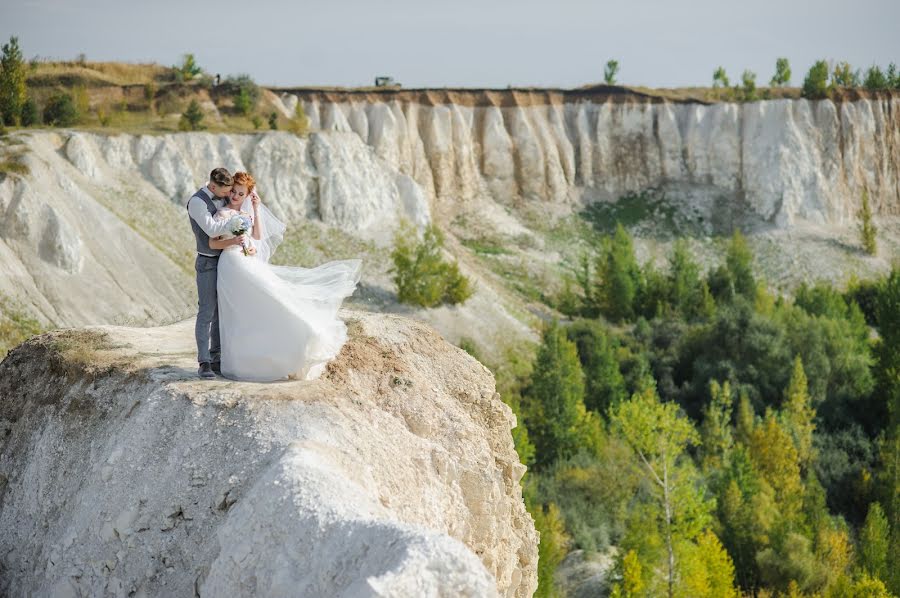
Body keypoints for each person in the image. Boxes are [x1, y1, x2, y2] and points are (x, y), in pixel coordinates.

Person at [209, 171, 362, 382]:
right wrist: (233, 243)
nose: (235, 196)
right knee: (237, 313)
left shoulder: (246, 214)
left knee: (268, 298)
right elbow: (213, 243)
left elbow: (257, 237)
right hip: (230, 264)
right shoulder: (222, 214)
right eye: (233, 191)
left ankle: (302, 336)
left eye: (240, 193)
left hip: (246, 261)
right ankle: (242, 362)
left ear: (246, 195)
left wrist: (254, 208)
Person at [186, 167, 251, 379]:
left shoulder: (223, 196)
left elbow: (238, 200)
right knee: (206, 311)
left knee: (221, 312)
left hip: (226, 261)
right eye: (225, 192)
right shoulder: (197, 202)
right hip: (207, 260)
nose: (228, 196)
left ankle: (217, 357)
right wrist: (236, 222)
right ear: (213, 186)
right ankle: (203, 361)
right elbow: (213, 231)